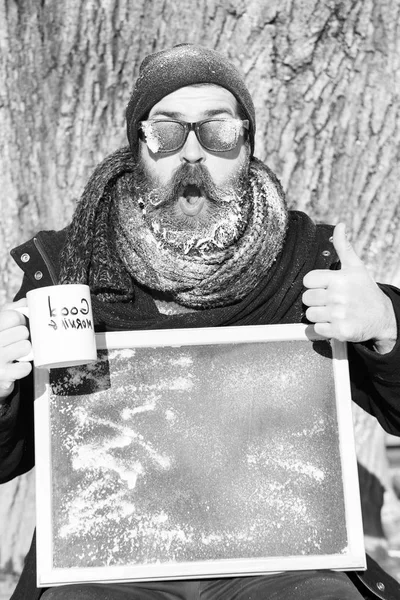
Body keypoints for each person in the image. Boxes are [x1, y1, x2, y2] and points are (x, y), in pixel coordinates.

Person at [1, 43, 400, 600]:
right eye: (167, 132)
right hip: (109, 565)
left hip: (283, 561)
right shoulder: (70, 268)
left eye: (217, 132)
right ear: (138, 146)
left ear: (246, 144)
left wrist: (385, 327)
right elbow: (13, 453)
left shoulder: (306, 260)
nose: (192, 152)